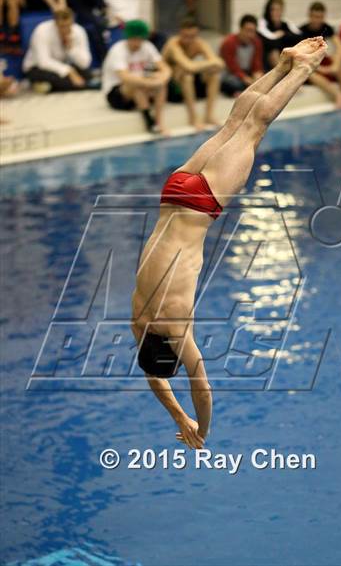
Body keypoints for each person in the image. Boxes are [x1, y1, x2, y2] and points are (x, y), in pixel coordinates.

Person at [131, 37, 328, 449]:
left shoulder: (175, 328)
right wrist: (175, 413)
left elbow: (201, 388)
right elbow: (153, 374)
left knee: (255, 126)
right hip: (174, 191)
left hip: (202, 202)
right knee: (234, 123)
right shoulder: (139, 321)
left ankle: (304, 68)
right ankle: (282, 65)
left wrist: (199, 428)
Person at [102, 19, 170, 133]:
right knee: (137, 84)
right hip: (116, 95)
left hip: (140, 90)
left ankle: (159, 122)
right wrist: (151, 82)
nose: (137, 43)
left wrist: (162, 78)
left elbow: (165, 68)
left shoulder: (147, 46)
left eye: (140, 39)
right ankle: (149, 121)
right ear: (127, 37)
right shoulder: (117, 50)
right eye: (134, 39)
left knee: (159, 83)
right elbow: (124, 77)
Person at [162, 17, 224, 130]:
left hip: (189, 81)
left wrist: (201, 66)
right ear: (180, 33)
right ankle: (193, 117)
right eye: (186, 36)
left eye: (192, 36)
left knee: (214, 74)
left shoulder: (199, 43)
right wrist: (208, 64)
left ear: (197, 34)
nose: (189, 40)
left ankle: (209, 115)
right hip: (170, 88)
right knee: (186, 75)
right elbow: (187, 66)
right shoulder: (173, 44)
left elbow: (220, 64)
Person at [23, 8, 92, 93]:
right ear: (55, 23)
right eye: (62, 26)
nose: (66, 29)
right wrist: (69, 71)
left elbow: (85, 63)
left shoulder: (78, 31)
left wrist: (71, 49)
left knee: (87, 75)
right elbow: (43, 62)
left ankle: (48, 87)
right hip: (37, 68)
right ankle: (46, 84)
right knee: (64, 80)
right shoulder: (42, 31)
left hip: (63, 65)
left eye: (69, 25)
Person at [299, 1, 341, 108]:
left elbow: (340, 47)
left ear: (324, 17)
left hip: (322, 61)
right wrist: (321, 69)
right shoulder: (301, 31)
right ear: (310, 15)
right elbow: (302, 56)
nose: (317, 20)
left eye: (320, 17)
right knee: (310, 74)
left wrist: (335, 65)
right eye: (315, 16)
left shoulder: (326, 28)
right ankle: (338, 96)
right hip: (311, 64)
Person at [220, 14, 264, 97]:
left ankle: (244, 90)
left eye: (252, 31)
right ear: (240, 29)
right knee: (233, 84)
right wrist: (248, 80)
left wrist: (258, 76)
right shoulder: (229, 42)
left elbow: (257, 64)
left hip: (248, 72)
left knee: (265, 78)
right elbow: (232, 67)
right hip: (231, 74)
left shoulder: (257, 42)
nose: (250, 35)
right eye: (247, 30)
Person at [258, 0, 301, 70]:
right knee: (274, 52)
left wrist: (284, 34)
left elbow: (300, 37)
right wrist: (280, 38)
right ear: (268, 11)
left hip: (286, 57)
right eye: (273, 10)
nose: (276, 12)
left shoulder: (286, 24)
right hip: (267, 60)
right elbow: (268, 42)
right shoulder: (263, 23)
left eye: (279, 10)